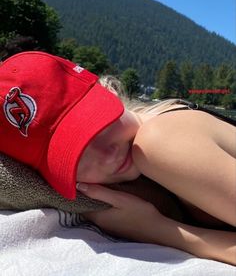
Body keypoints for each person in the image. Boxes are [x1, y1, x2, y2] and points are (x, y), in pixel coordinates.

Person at [0, 51, 235, 265]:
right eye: (76, 154)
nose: (107, 154)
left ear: (108, 91)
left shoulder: (159, 142)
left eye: (98, 124)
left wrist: (161, 230)